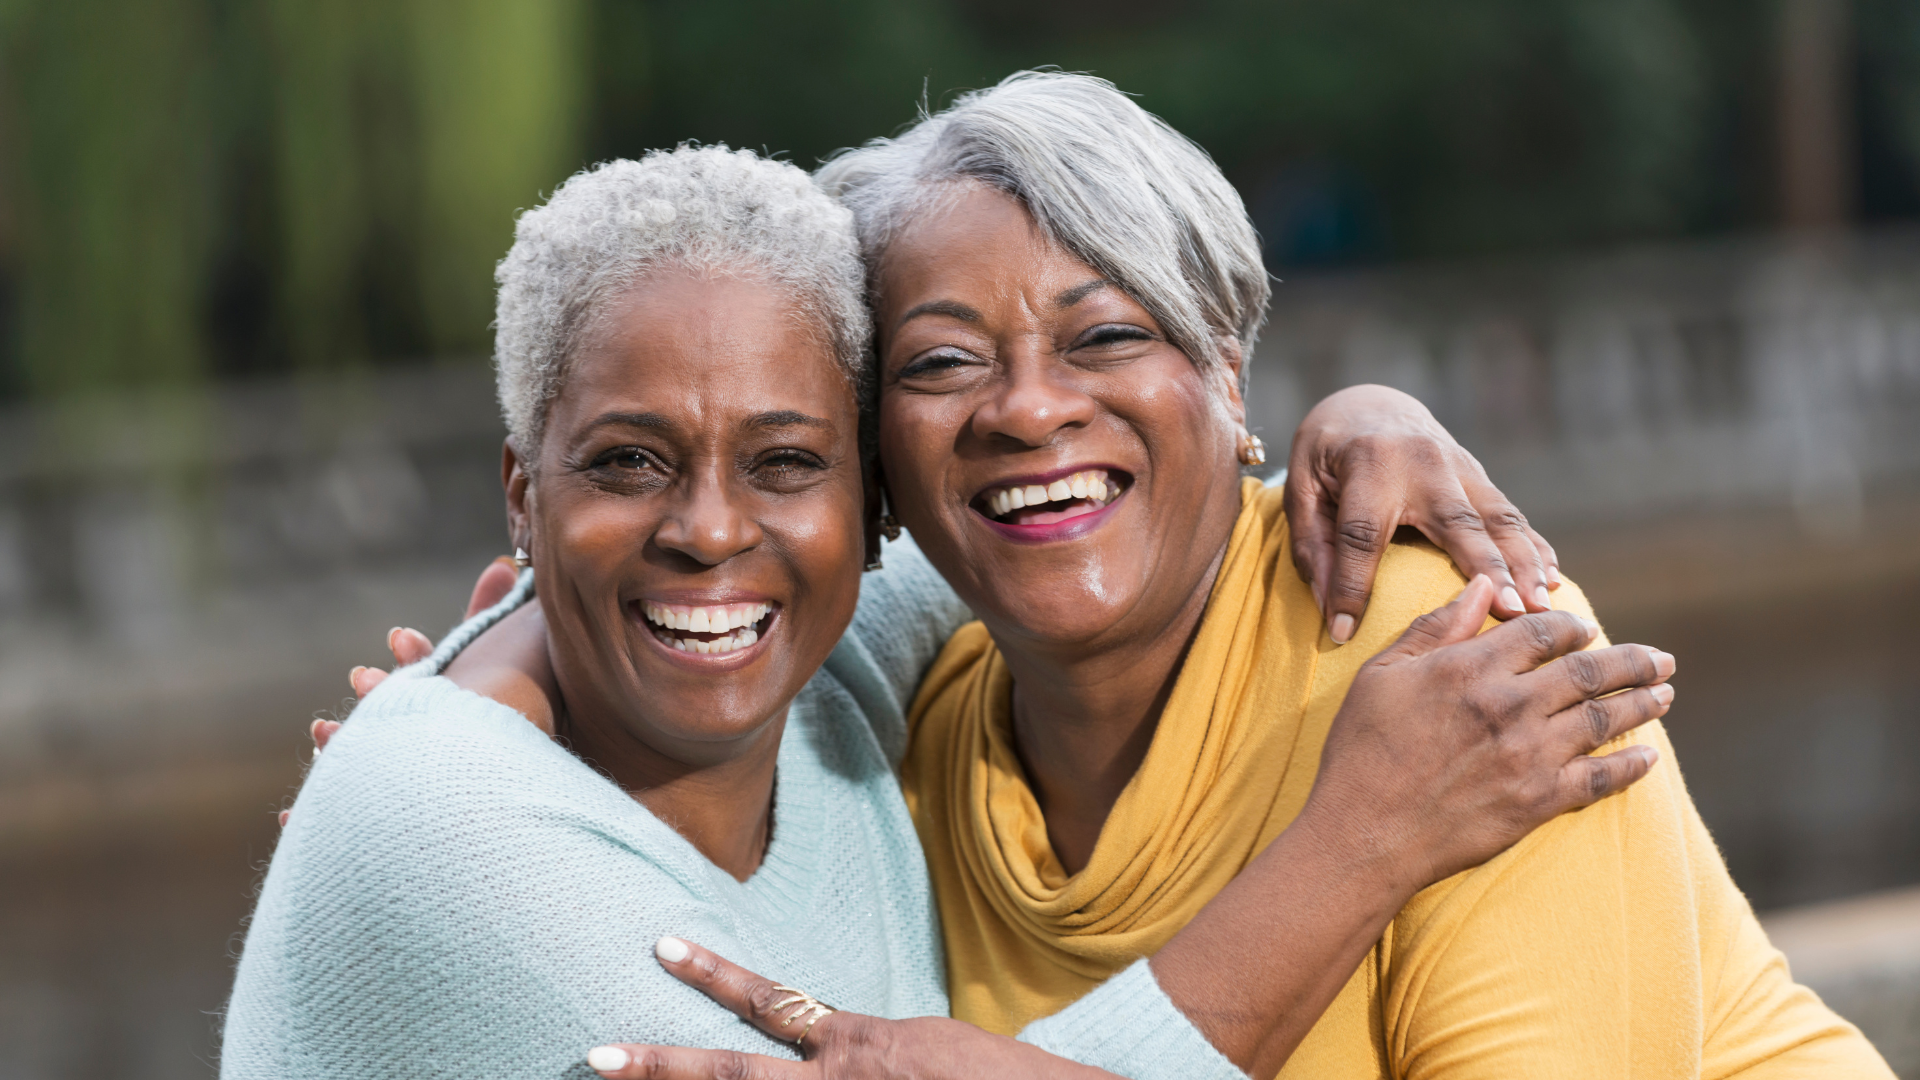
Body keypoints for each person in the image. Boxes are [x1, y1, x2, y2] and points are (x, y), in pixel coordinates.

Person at [225, 145, 1673, 1080]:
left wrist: (1344, 424)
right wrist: (1366, 834)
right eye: (626, 464)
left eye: (787, 461)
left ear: (865, 503)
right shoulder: (448, 829)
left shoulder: (839, 657)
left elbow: (1054, 502)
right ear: (519, 498)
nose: (714, 532)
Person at [588, 71, 1882, 1079]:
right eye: (940, 363)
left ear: (1227, 371)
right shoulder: (920, 737)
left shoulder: (1457, 652)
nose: (1028, 409)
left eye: (1104, 334)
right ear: (878, 447)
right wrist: (513, 692)